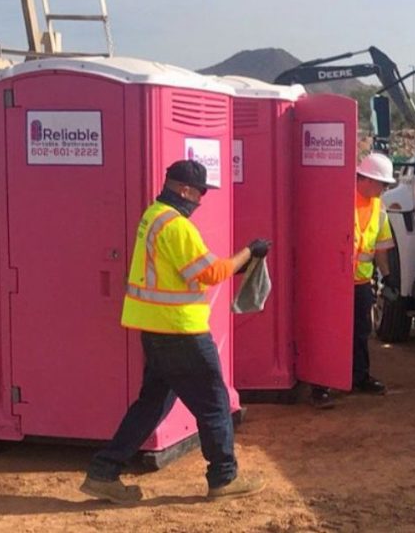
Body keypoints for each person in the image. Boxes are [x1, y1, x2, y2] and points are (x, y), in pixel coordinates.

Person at [80, 160, 270, 504]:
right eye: (199, 193)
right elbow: (211, 273)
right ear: (184, 189)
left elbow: (184, 271)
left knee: (151, 403)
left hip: (156, 329)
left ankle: (103, 472)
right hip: (181, 331)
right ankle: (223, 478)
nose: (200, 200)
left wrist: (236, 265)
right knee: (214, 403)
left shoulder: (153, 216)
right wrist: (249, 252)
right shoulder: (177, 227)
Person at [311, 153, 396, 408]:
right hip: (335, 283)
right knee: (330, 333)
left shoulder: (378, 209)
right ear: (367, 179)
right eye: (382, 184)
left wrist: (388, 276)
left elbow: (380, 248)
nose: (385, 189)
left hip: (360, 283)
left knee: (360, 332)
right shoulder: (340, 201)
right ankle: (321, 385)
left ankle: (359, 377)